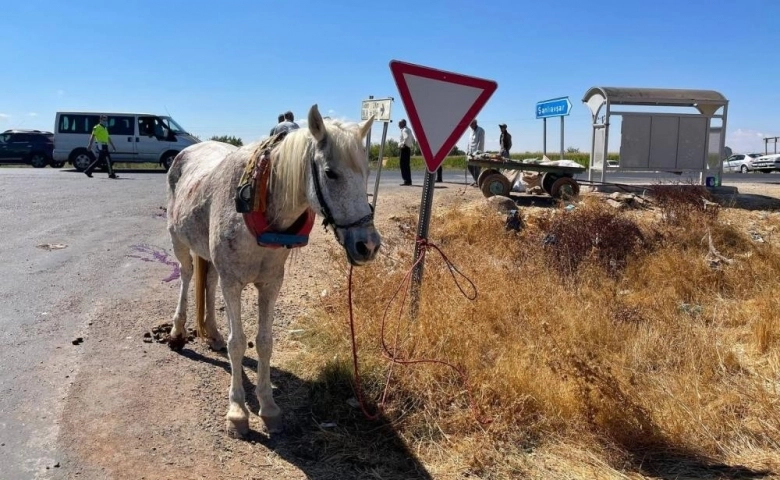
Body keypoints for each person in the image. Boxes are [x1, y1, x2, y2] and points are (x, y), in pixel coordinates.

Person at [85, 114, 117, 178]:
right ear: (100, 120)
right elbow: (93, 136)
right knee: (108, 159)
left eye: (106, 120)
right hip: (100, 145)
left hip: (105, 145)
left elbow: (108, 137)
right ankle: (111, 174)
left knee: (100, 160)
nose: (105, 121)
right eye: (104, 119)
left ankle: (88, 171)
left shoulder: (105, 128)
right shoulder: (97, 127)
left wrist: (113, 145)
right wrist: (90, 144)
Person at [466, 119, 485, 185]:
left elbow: (481, 142)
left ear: (475, 123)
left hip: (477, 153)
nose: (470, 126)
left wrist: (477, 153)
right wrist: (467, 151)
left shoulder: (481, 130)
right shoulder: (471, 132)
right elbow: (469, 142)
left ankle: (478, 181)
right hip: (470, 153)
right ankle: (476, 180)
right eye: (470, 125)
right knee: (470, 166)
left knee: (476, 168)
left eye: (471, 124)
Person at [398, 119, 415, 186]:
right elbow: (413, 139)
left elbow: (406, 137)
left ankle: (406, 180)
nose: (398, 125)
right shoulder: (409, 130)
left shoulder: (404, 130)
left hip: (404, 149)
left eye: (399, 123)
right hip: (408, 149)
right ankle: (408, 180)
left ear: (403, 124)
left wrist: (403, 145)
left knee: (403, 165)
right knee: (407, 165)